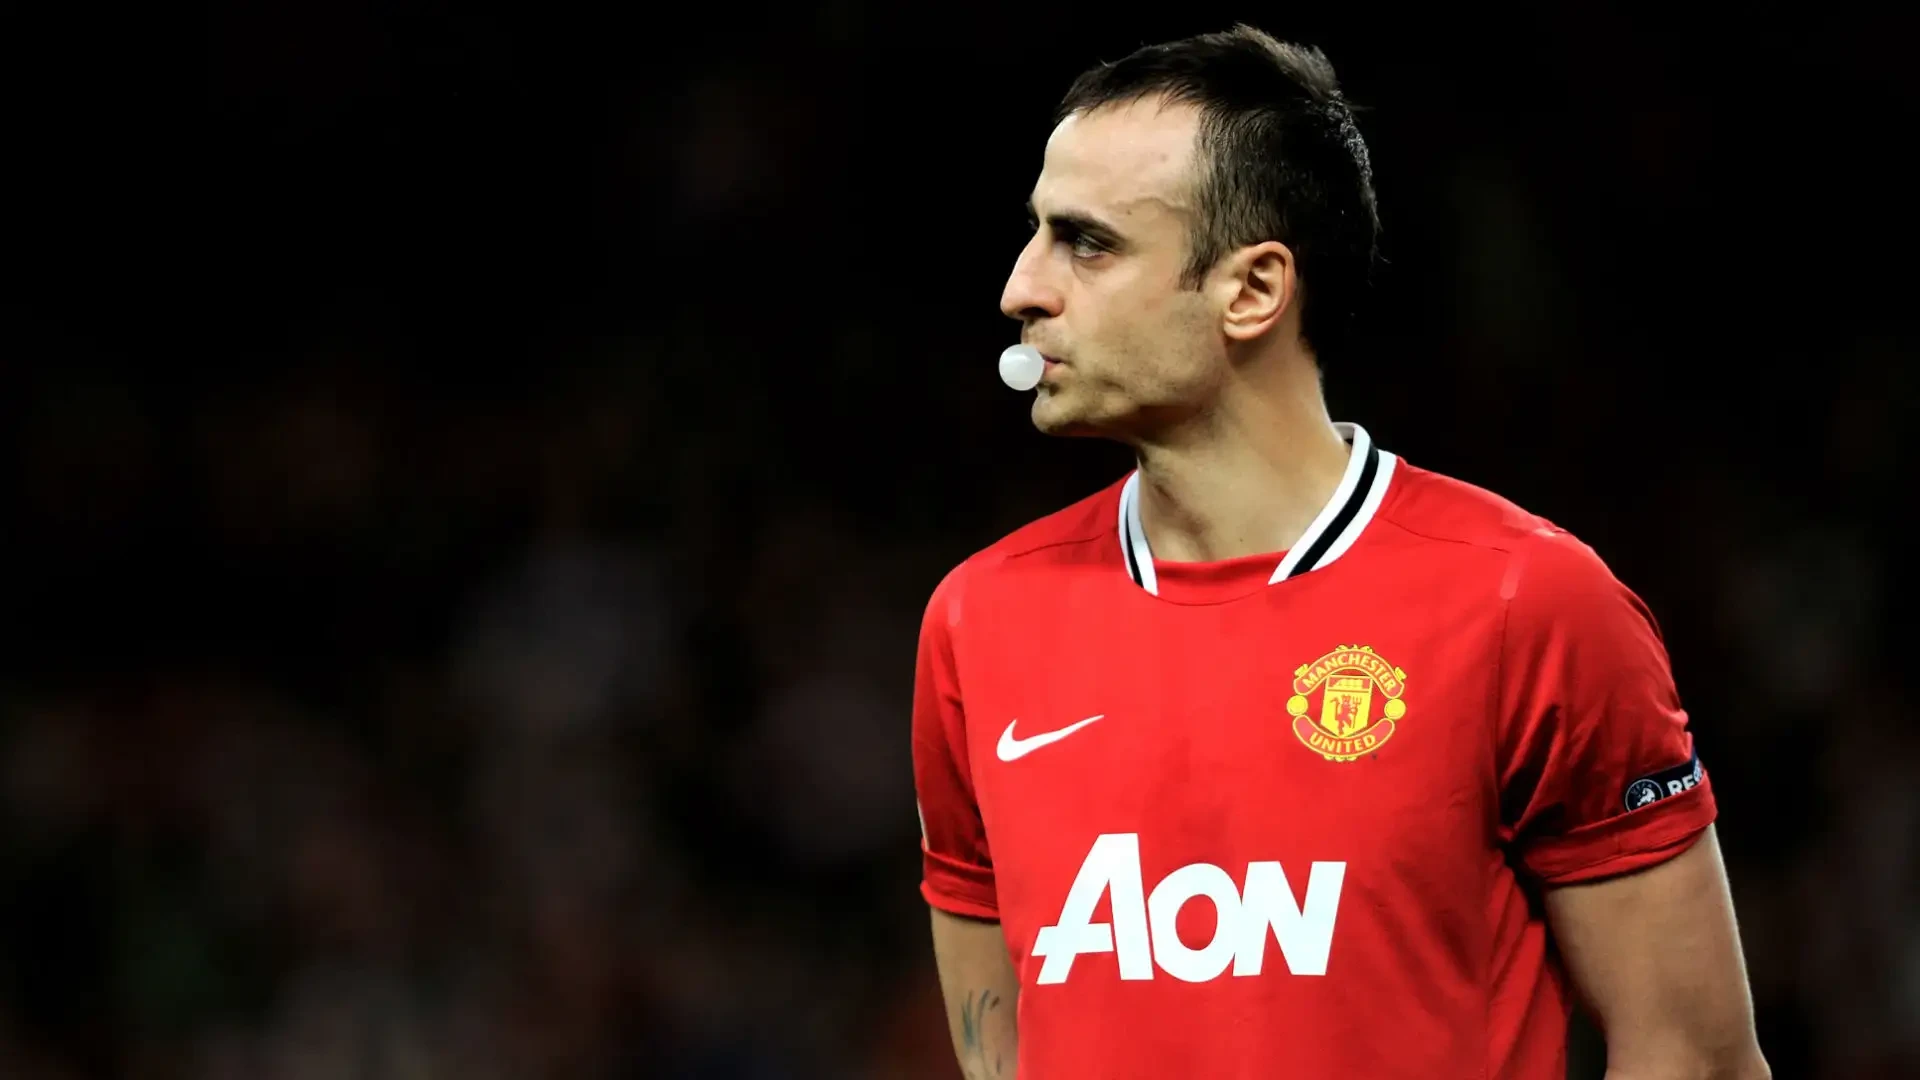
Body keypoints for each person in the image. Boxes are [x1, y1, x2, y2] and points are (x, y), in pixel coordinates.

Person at [910, 24, 1771, 1080]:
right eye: (1036, 233)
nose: (1021, 288)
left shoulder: (1526, 604)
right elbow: (1000, 1046)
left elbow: (1694, 1056)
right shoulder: (976, 622)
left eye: (1087, 243)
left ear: (1252, 291)